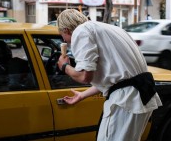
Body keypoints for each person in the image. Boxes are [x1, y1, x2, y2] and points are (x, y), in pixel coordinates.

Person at [57, 9, 162, 141]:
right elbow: (116, 77)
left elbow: (85, 76)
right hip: (143, 97)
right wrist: (82, 95)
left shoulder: (81, 31)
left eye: (63, 36)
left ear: (66, 30)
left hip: (126, 101)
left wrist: (65, 67)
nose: (66, 41)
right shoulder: (112, 29)